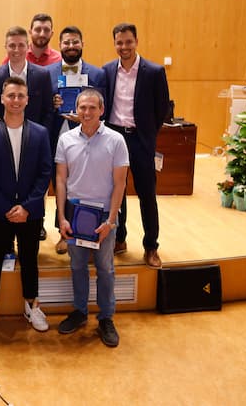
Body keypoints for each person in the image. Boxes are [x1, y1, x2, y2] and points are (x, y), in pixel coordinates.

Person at [0, 77, 52, 334]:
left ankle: (32, 305)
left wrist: (28, 206)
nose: (16, 100)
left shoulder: (41, 133)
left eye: (21, 95)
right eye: (11, 95)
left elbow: (45, 173)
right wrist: (6, 206)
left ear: (27, 99)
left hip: (31, 212)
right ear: (2, 98)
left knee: (30, 259)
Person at [55, 88, 128, 348]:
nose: (86, 113)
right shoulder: (66, 139)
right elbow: (61, 180)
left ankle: (106, 318)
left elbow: (120, 184)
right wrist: (62, 217)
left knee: (106, 268)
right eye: (82, 108)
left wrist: (110, 221)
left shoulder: (116, 140)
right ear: (77, 110)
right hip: (76, 215)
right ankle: (80, 311)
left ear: (101, 110)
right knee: (77, 267)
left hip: (103, 217)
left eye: (92, 108)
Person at [103, 23, 169, 268]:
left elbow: (161, 108)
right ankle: (120, 239)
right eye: (119, 42)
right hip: (114, 137)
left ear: (136, 41)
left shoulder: (153, 71)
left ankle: (151, 246)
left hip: (141, 139)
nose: (124, 47)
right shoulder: (108, 70)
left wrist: (148, 133)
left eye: (128, 42)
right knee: (116, 194)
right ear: (115, 44)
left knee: (146, 194)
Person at [0, 26, 53, 239]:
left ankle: (35, 220)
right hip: (4, 141)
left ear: (28, 47)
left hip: (34, 142)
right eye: (12, 45)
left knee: (34, 185)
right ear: (6, 47)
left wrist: (39, 135)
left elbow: (48, 110)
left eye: (21, 45)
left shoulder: (42, 75)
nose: (16, 49)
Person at [46, 26, 106, 254]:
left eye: (75, 42)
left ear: (82, 44)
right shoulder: (47, 72)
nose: (71, 46)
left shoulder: (97, 74)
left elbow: (104, 106)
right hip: (57, 134)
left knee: (83, 184)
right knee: (59, 184)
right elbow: (42, 106)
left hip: (87, 136)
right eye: (66, 43)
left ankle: (87, 230)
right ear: (59, 45)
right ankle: (63, 233)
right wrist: (53, 104)